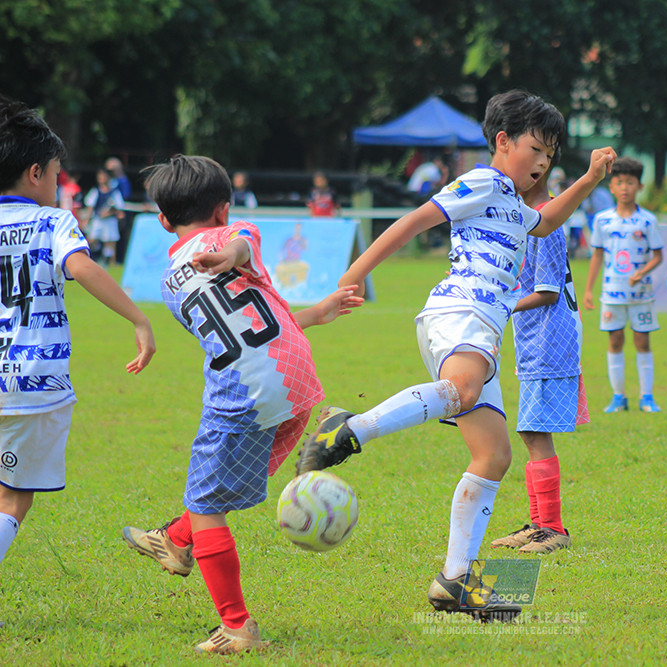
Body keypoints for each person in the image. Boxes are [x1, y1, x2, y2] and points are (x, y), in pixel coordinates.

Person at [295, 90, 616, 620]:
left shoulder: (515, 203)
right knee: (464, 392)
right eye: (536, 148)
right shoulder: (484, 181)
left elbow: (547, 222)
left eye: (551, 156)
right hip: (458, 313)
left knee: (494, 454)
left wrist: (586, 180)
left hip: (482, 332)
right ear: (503, 141)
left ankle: (456, 579)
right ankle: (348, 429)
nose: (542, 163)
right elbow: (412, 222)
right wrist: (354, 274)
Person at [121, 155, 362, 654]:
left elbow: (238, 249)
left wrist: (230, 252)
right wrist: (313, 311)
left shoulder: (168, 282)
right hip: (297, 383)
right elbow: (251, 286)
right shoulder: (235, 234)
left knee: (208, 503)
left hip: (243, 395)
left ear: (163, 222)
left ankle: (236, 626)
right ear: (224, 208)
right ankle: (176, 539)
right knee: (219, 483)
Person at [0, 96, 155, 571]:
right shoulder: (53, 221)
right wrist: (138, 319)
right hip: (34, 383)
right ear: (34, 174)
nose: (56, 182)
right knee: (13, 497)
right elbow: (81, 267)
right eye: (54, 171)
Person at [490, 162, 587, 556]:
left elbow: (547, 291)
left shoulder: (546, 223)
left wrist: (502, 306)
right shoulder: (530, 220)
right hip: (536, 342)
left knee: (534, 432)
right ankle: (538, 525)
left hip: (551, 340)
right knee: (530, 431)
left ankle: (552, 528)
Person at [583, 156, 664, 414]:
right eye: (619, 182)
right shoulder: (602, 220)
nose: (625, 188)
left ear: (639, 186)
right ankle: (618, 397)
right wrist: (588, 290)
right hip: (612, 293)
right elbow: (596, 254)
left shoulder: (648, 220)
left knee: (642, 341)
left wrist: (642, 272)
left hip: (641, 294)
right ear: (612, 187)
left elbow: (658, 256)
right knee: (615, 340)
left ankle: (647, 397)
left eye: (630, 182)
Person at [82, 167, 125, 266]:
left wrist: (109, 213)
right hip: (98, 220)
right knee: (91, 240)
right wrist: (87, 221)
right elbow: (90, 207)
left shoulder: (114, 192)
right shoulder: (96, 191)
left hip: (110, 221)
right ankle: (88, 259)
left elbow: (119, 208)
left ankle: (111, 263)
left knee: (110, 242)